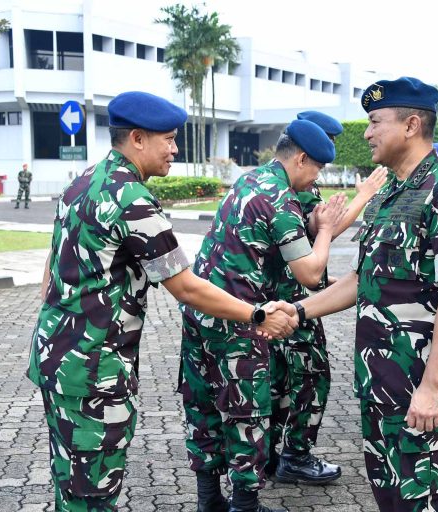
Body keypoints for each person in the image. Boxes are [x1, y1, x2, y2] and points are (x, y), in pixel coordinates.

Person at [26, 91, 297, 512]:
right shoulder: (132, 199)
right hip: (94, 372)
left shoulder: (83, 181)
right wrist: (257, 313)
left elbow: (51, 269)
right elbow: (186, 287)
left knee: (71, 481)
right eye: (168, 139)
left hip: (57, 358)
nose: (174, 149)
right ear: (137, 138)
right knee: (93, 493)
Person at [296, 77, 438, 512]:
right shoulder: (386, 197)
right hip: (378, 381)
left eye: (376, 122)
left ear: (412, 125)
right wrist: (298, 310)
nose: (367, 133)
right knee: (390, 496)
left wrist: (433, 386)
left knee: (422, 498)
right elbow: (363, 280)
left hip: (416, 380)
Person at [179, 119, 346, 512]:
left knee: (202, 404)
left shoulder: (251, 181)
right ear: (302, 158)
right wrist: (324, 229)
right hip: (241, 317)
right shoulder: (281, 199)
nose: (317, 178)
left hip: (203, 311)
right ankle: (245, 504)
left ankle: (209, 500)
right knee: (247, 411)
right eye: (317, 168)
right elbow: (309, 272)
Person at [269, 110, 388, 486]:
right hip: (288, 296)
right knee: (312, 375)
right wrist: (365, 195)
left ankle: (274, 456)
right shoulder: (295, 185)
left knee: (281, 380)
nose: (329, 152)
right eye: (326, 144)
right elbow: (321, 238)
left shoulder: (281, 179)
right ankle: (295, 456)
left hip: (282, 296)